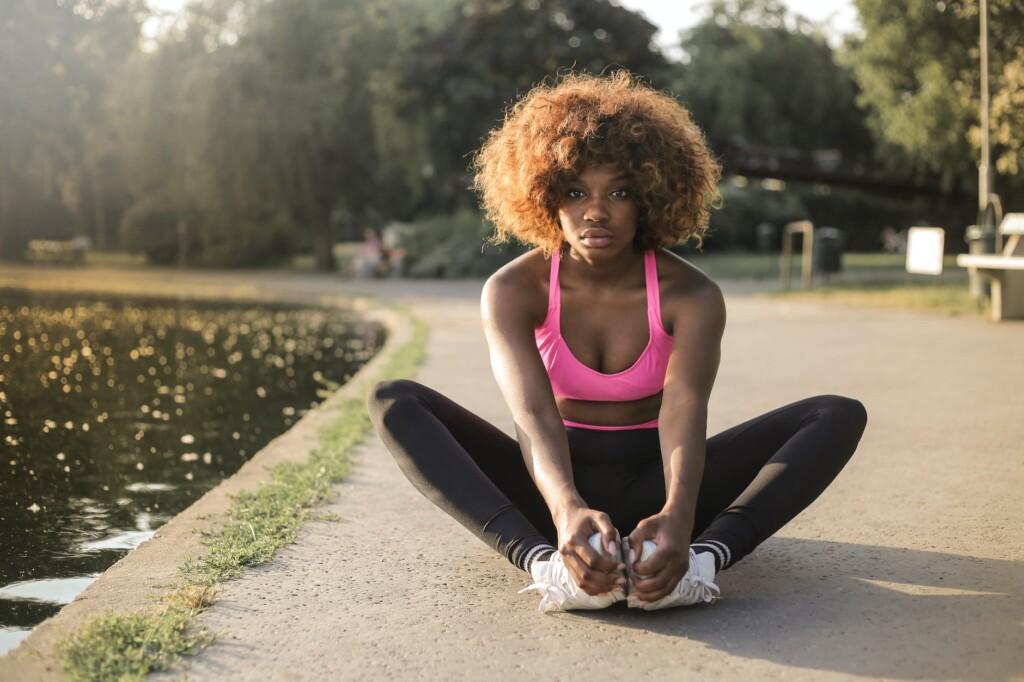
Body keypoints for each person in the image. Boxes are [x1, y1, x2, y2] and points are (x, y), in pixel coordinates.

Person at [368, 72, 867, 613]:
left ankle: (699, 562)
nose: (596, 211)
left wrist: (679, 511)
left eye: (620, 192)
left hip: (659, 477)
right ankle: (548, 564)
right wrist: (564, 509)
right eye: (576, 191)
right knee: (395, 400)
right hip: (553, 487)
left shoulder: (690, 294)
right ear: (545, 195)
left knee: (836, 414)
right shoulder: (513, 289)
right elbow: (532, 412)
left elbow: (683, 406)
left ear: (652, 197)